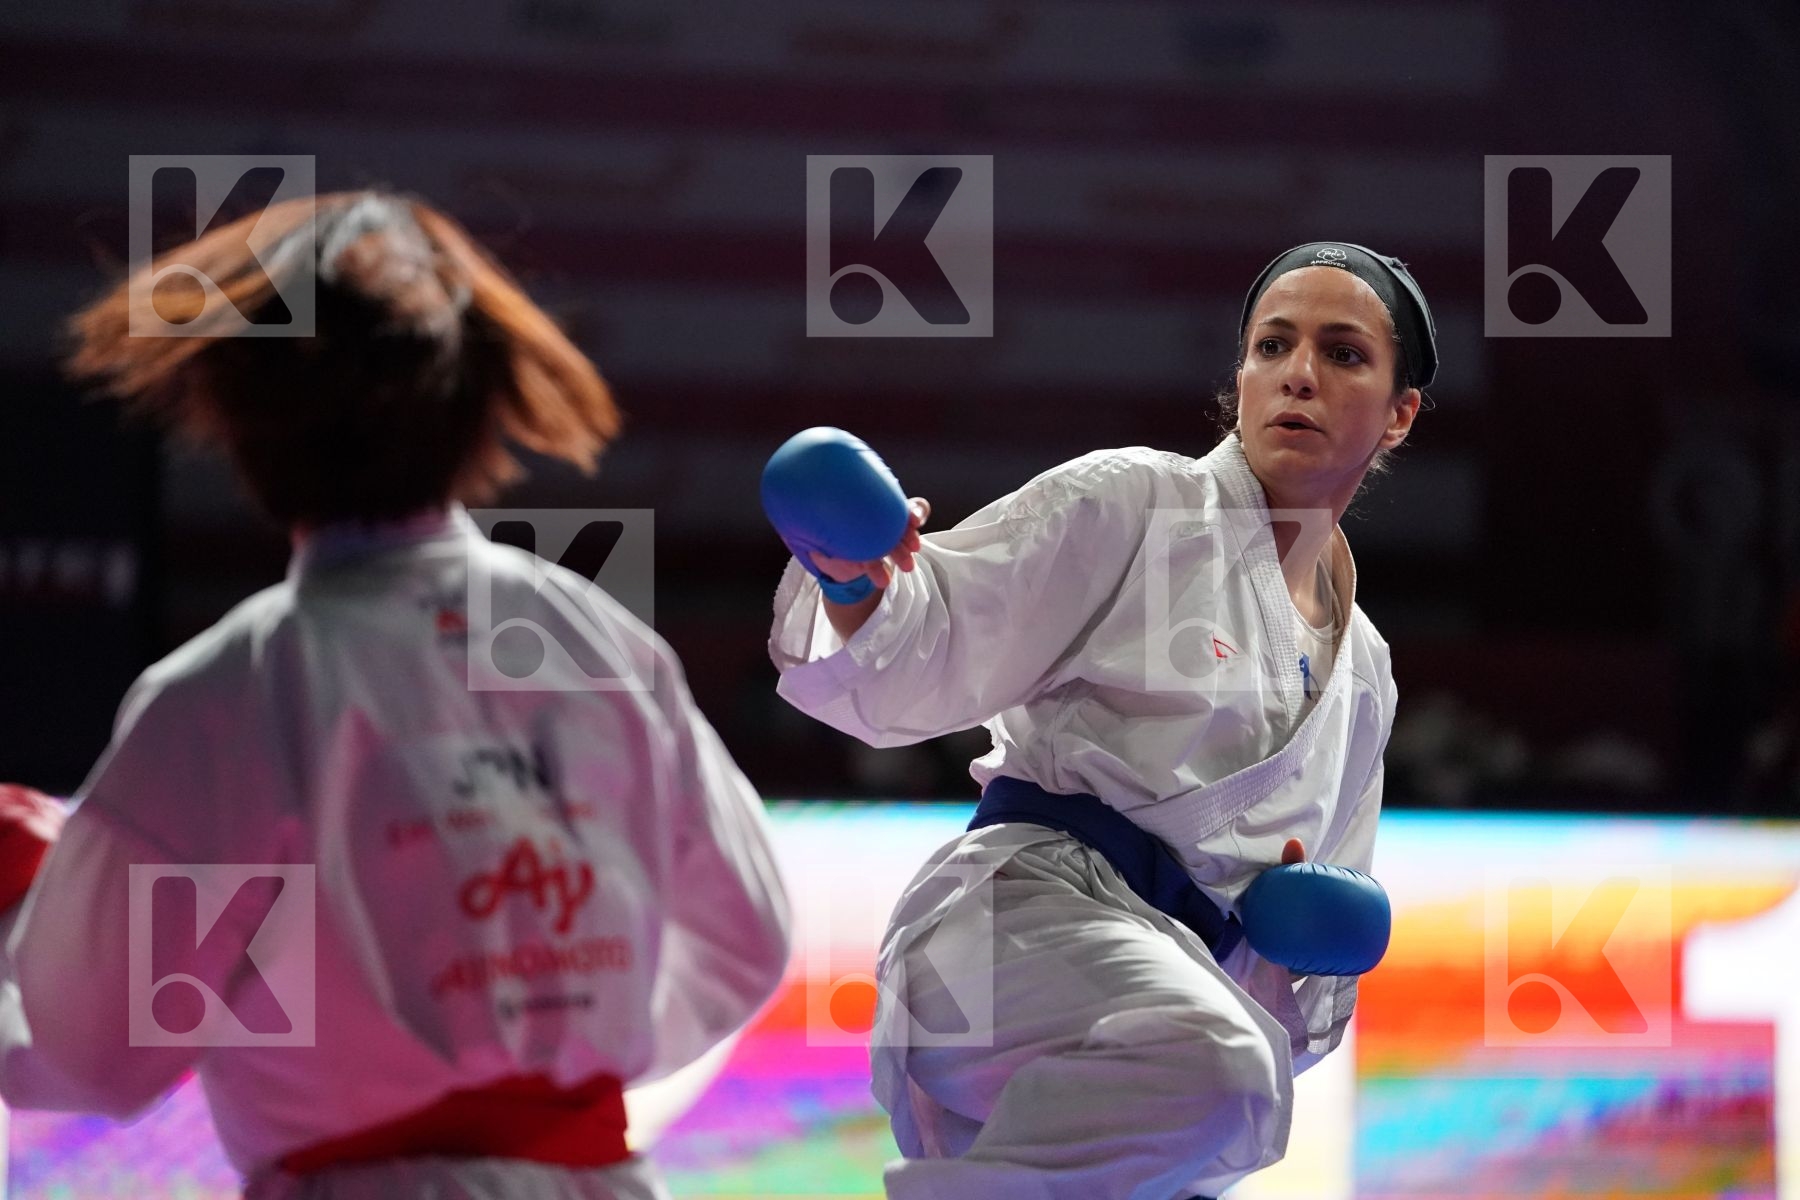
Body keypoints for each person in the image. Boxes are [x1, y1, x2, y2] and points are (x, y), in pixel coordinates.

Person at [0, 189, 791, 1200]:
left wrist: (23, 905)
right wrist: (544, 1050)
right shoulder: (594, 640)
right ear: (479, 402)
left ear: (238, 425)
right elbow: (748, 934)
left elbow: (94, 1060)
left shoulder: (229, 695)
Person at [768, 242, 1431, 1199]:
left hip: (1157, 1013)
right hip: (1012, 933)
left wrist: (1310, 946)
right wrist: (854, 580)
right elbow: (948, 623)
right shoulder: (1138, 502)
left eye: (1344, 354)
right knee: (1226, 1069)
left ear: (1398, 413)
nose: (1298, 373)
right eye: (1272, 346)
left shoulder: (1364, 673)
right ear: (1239, 376)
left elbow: (1298, 1008)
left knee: (1234, 1086)